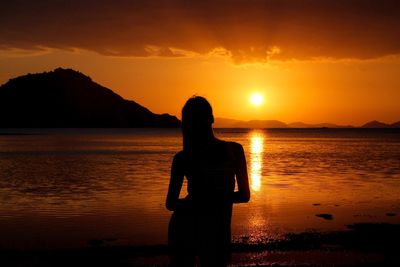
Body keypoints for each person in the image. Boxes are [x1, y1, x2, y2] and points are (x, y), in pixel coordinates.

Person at [166, 96, 250, 267]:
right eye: (193, 119)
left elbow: (245, 195)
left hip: (216, 228)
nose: (197, 123)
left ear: (212, 118)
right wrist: (215, 199)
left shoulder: (234, 150)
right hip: (186, 226)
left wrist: (206, 200)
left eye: (200, 117)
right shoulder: (182, 158)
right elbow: (170, 203)